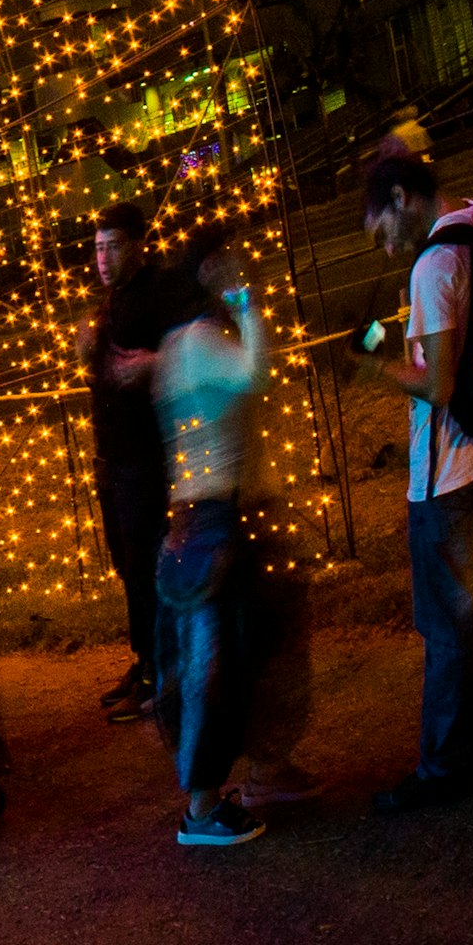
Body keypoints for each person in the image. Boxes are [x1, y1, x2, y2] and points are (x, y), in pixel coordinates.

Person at [357, 153, 473, 812]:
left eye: (380, 229)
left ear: (401, 197)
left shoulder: (433, 264)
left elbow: (437, 384)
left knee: (448, 620)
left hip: (447, 473)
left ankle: (442, 768)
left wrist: (376, 370)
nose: (385, 246)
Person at [149, 231, 312, 847]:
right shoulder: (198, 341)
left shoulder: (181, 343)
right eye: (232, 262)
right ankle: (202, 807)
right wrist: (247, 297)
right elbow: (257, 374)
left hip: (219, 513)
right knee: (213, 663)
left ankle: (264, 769)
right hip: (215, 517)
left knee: (254, 652)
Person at [84, 200, 197, 723]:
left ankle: (161, 670)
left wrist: (157, 362)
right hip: (113, 454)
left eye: (112, 247)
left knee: (148, 563)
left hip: (147, 455)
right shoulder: (111, 299)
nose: (103, 258)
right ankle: (144, 658)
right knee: (128, 564)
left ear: (136, 245)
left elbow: (199, 344)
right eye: (97, 248)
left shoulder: (161, 289)